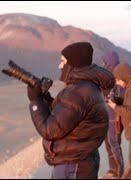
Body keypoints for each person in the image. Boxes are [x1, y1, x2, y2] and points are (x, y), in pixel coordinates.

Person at [27, 42, 115, 179]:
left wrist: (35, 102)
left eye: (62, 61)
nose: (59, 66)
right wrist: (45, 99)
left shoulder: (78, 92)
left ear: (73, 64)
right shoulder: (85, 87)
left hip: (73, 165)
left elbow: (50, 130)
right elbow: (66, 117)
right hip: (78, 162)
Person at [100, 51, 125, 179]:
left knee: (114, 144)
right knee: (108, 144)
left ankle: (119, 172)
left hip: (116, 118)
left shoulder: (120, 75)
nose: (103, 64)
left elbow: (121, 95)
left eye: (104, 61)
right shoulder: (107, 75)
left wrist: (113, 99)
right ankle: (113, 169)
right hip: (106, 116)